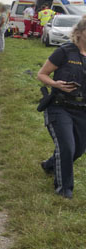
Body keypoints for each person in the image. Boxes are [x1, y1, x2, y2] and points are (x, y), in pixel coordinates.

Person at [36, 17, 86, 199]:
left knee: (78, 150)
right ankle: (64, 190)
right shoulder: (64, 51)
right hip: (60, 107)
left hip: (83, 109)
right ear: (79, 32)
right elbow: (42, 74)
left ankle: (50, 165)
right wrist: (55, 84)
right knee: (67, 147)